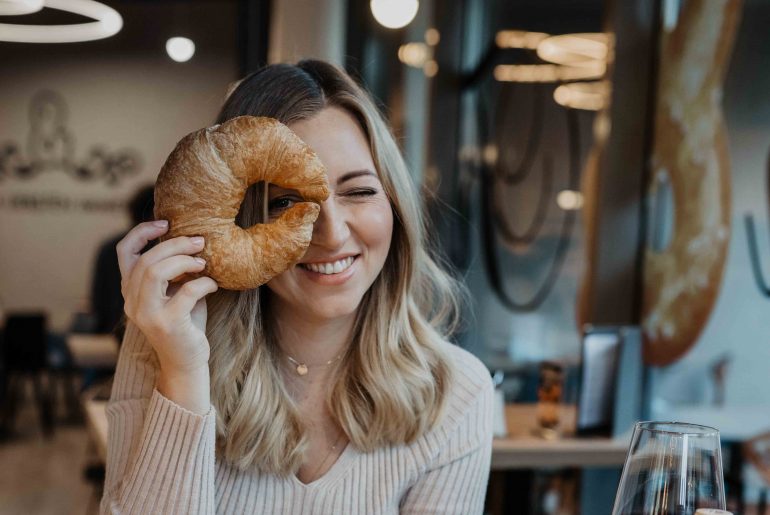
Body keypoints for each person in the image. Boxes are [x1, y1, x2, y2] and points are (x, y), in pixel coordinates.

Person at [101, 60, 493, 514]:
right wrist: (186, 374)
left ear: (395, 206)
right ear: (239, 218)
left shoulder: (457, 393)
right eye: (284, 201)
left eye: (359, 191)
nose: (333, 233)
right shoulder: (160, 357)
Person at [90, 184, 154, 341]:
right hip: (148, 333)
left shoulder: (111, 246)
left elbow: (98, 298)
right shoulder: (161, 249)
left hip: (112, 330)